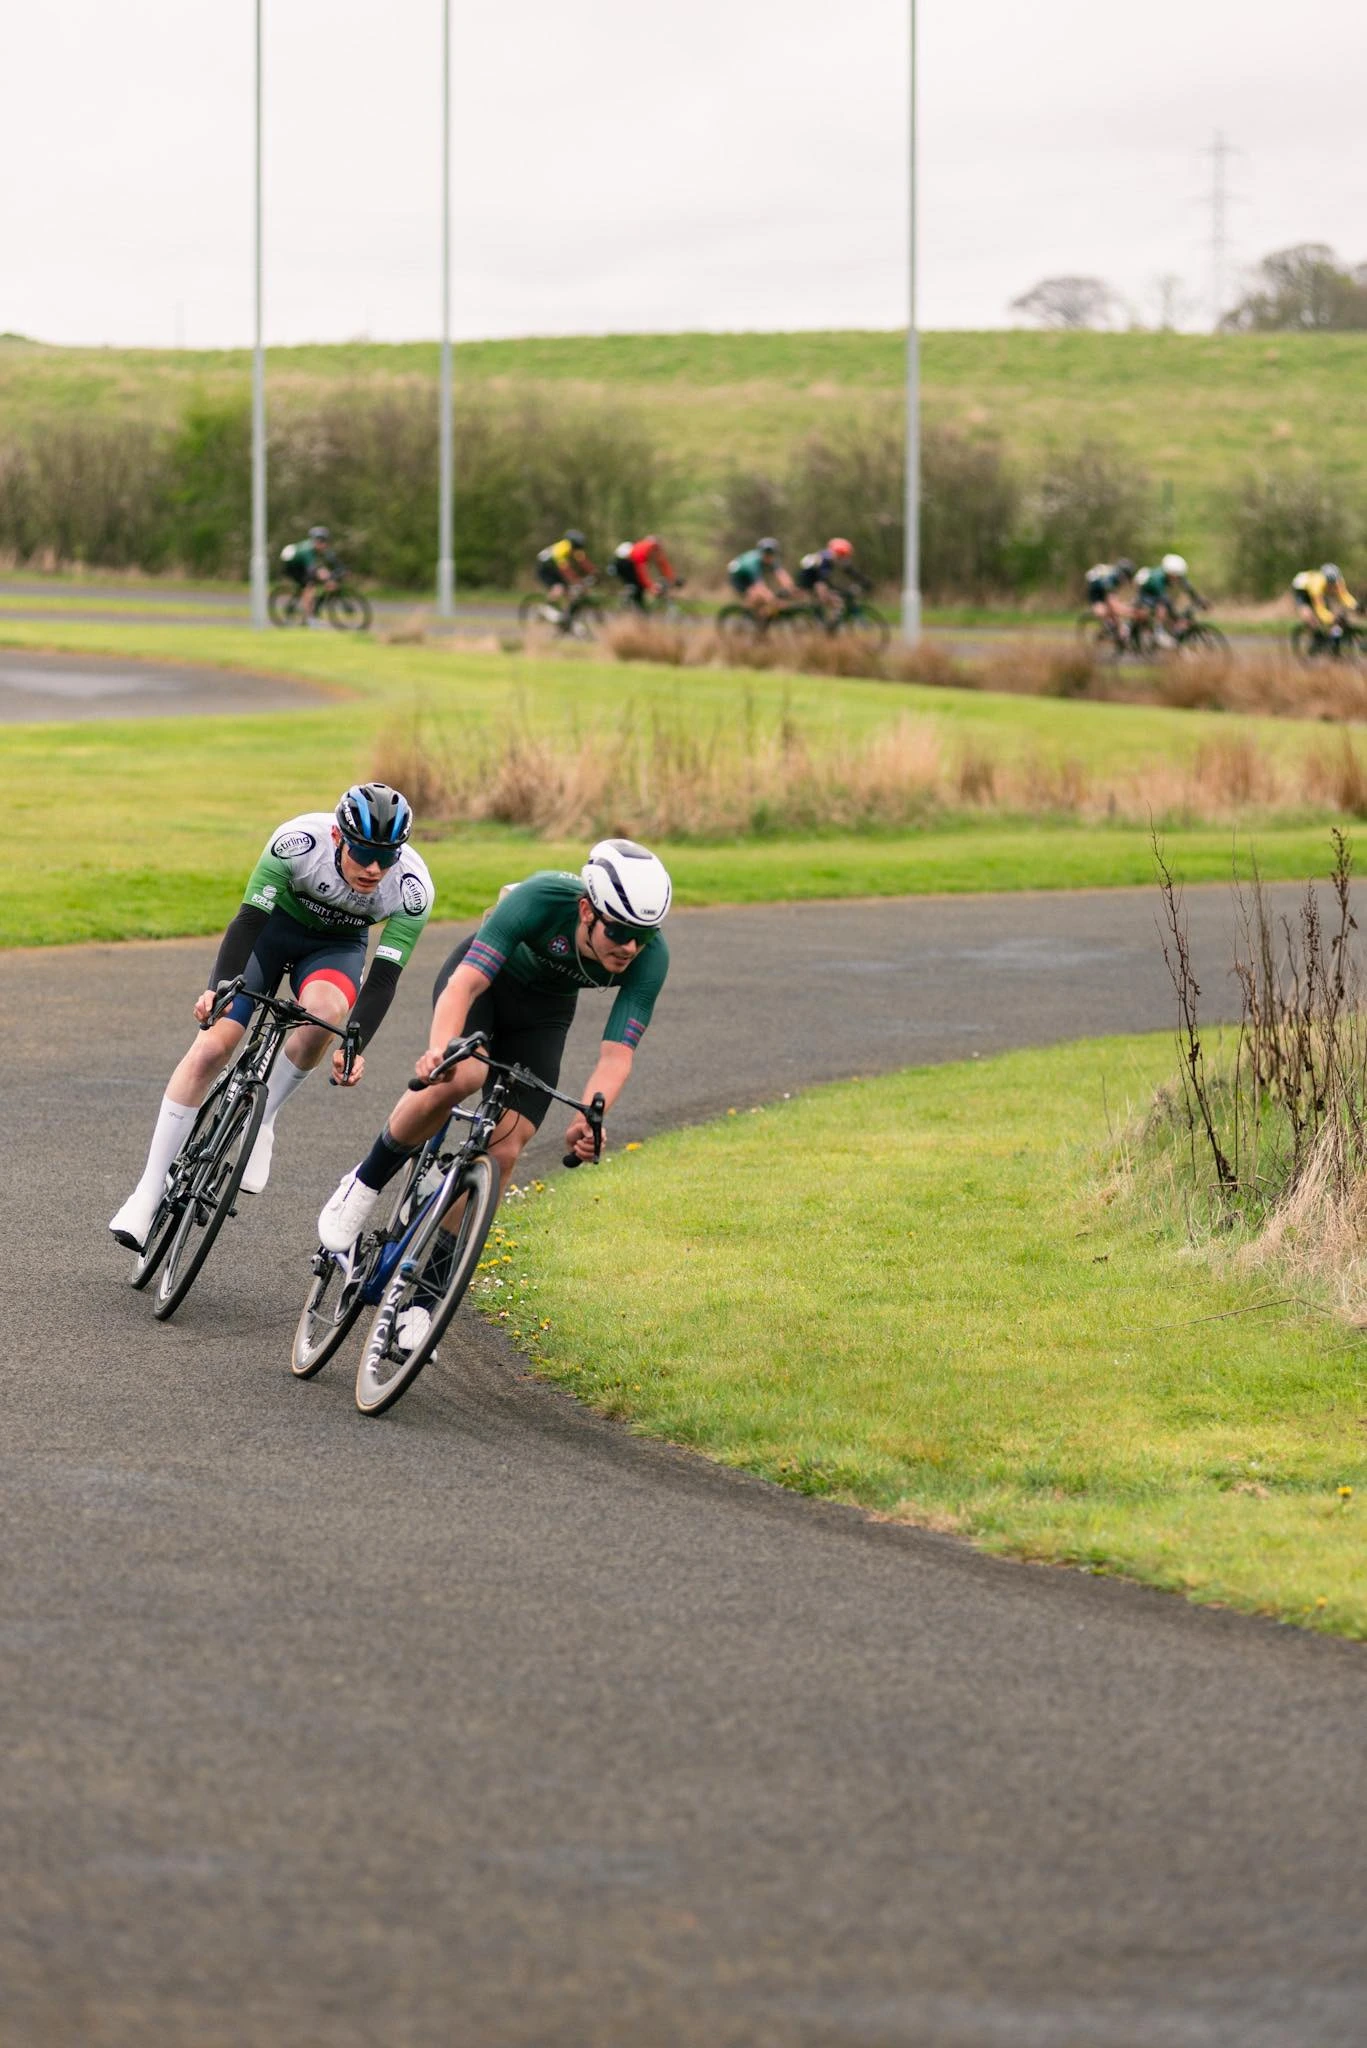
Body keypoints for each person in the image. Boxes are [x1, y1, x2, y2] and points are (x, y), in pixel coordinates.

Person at [315, 838, 673, 1351]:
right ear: (586, 909)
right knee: (461, 1079)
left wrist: (591, 1118)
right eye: (617, 931)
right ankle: (363, 1183)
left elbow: (616, 1057)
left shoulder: (647, 956)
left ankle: (424, 1297)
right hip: (486, 986)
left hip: (543, 1017)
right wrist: (441, 1049)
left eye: (642, 935)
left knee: (504, 1150)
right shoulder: (540, 898)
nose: (629, 947)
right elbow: (463, 986)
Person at [108, 784, 433, 1253]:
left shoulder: (412, 888)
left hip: (334, 952)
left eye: (386, 856)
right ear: (340, 838)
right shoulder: (298, 842)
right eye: (363, 853)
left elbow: (382, 979)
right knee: (214, 1046)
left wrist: (352, 1046)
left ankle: (263, 1119)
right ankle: (148, 1190)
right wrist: (217, 989)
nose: (374, 869)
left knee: (325, 1019)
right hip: (269, 935)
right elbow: (247, 922)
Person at [1134, 553, 1207, 642]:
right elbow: (1162, 598)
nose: (1177, 578)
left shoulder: (1177, 575)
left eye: (1179, 575)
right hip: (1146, 594)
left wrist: (1198, 600)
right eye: (1175, 575)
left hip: (1158, 593)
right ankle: (1159, 631)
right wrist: (1175, 615)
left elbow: (1189, 589)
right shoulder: (1157, 578)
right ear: (1168, 572)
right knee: (1163, 607)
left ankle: (1172, 629)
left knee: (1171, 609)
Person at [279, 525, 341, 621]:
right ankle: (310, 617)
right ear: (316, 541)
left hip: (305, 566)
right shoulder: (307, 550)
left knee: (323, 575)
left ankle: (311, 611)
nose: (324, 545)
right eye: (321, 542)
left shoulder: (320, 549)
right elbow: (312, 570)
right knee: (309, 588)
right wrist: (327, 579)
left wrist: (340, 570)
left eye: (325, 542)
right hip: (293, 568)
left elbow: (332, 561)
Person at [535, 530, 596, 621]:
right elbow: (565, 568)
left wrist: (594, 571)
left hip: (554, 568)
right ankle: (545, 608)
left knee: (570, 593)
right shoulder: (562, 548)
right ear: (573, 543)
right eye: (577, 547)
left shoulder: (575, 549)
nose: (578, 549)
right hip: (544, 567)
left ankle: (566, 618)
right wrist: (576, 579)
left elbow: (583, 562)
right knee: (558, 587)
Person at [727, 538, 794, 618]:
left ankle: (761, 614)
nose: (768, 556)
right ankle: (747, 615)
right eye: (765, 554)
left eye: (771, 554)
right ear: (760, 553)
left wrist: (791, 588)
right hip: (739, 577)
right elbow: (760, 587)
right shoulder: (753, 564)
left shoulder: (772, 560)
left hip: (750, 576)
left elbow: (782, 575)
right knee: (756, 595)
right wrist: (774, 600)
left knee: (765, 600)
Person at [611, 535, 681, 609]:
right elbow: (642, 573)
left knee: (638, 586)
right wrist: (651, 587)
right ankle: (635, 607)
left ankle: (636, 607)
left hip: (627, 562)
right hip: (623, 564)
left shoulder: (653, 548)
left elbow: (663, 564)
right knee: (637, 585)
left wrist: (672, 578)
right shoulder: (642, 550)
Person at [1292, 563, 1359, 639]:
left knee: (1330, 613)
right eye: (1331, 584)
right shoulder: (1316, 585)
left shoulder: (1338, 581)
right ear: (1326, 581)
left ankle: (1332, 636)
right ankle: (1316, 635)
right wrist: (1332, 619)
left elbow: (1344, 596)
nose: (1334, 585)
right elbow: (1320, 609)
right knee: (1308, 614)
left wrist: (1356, 606)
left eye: (1335, 583)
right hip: (1302, 590)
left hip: (1319, 590)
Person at [795, 537, 859, 612]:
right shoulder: (826, 559)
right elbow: (822, 581)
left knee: (832, 594)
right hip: (808, 580)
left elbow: (849, 571)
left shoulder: (827, 556)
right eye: (842, 556)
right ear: (838, 554)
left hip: (813, 578)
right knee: (828, 597)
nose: (844, 559)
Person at [1084, 557, 1137, 639]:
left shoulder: (1117, 577)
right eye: (1127, 578)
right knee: (1103, 611)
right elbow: (1112, 601)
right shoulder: (1111, 578)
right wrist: (1127, 610)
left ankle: (1114, 628)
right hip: (1095, 591)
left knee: (1115, 611)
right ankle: (1108, 626)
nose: (1126, 581)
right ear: (1122, 574)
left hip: (1103, 588)